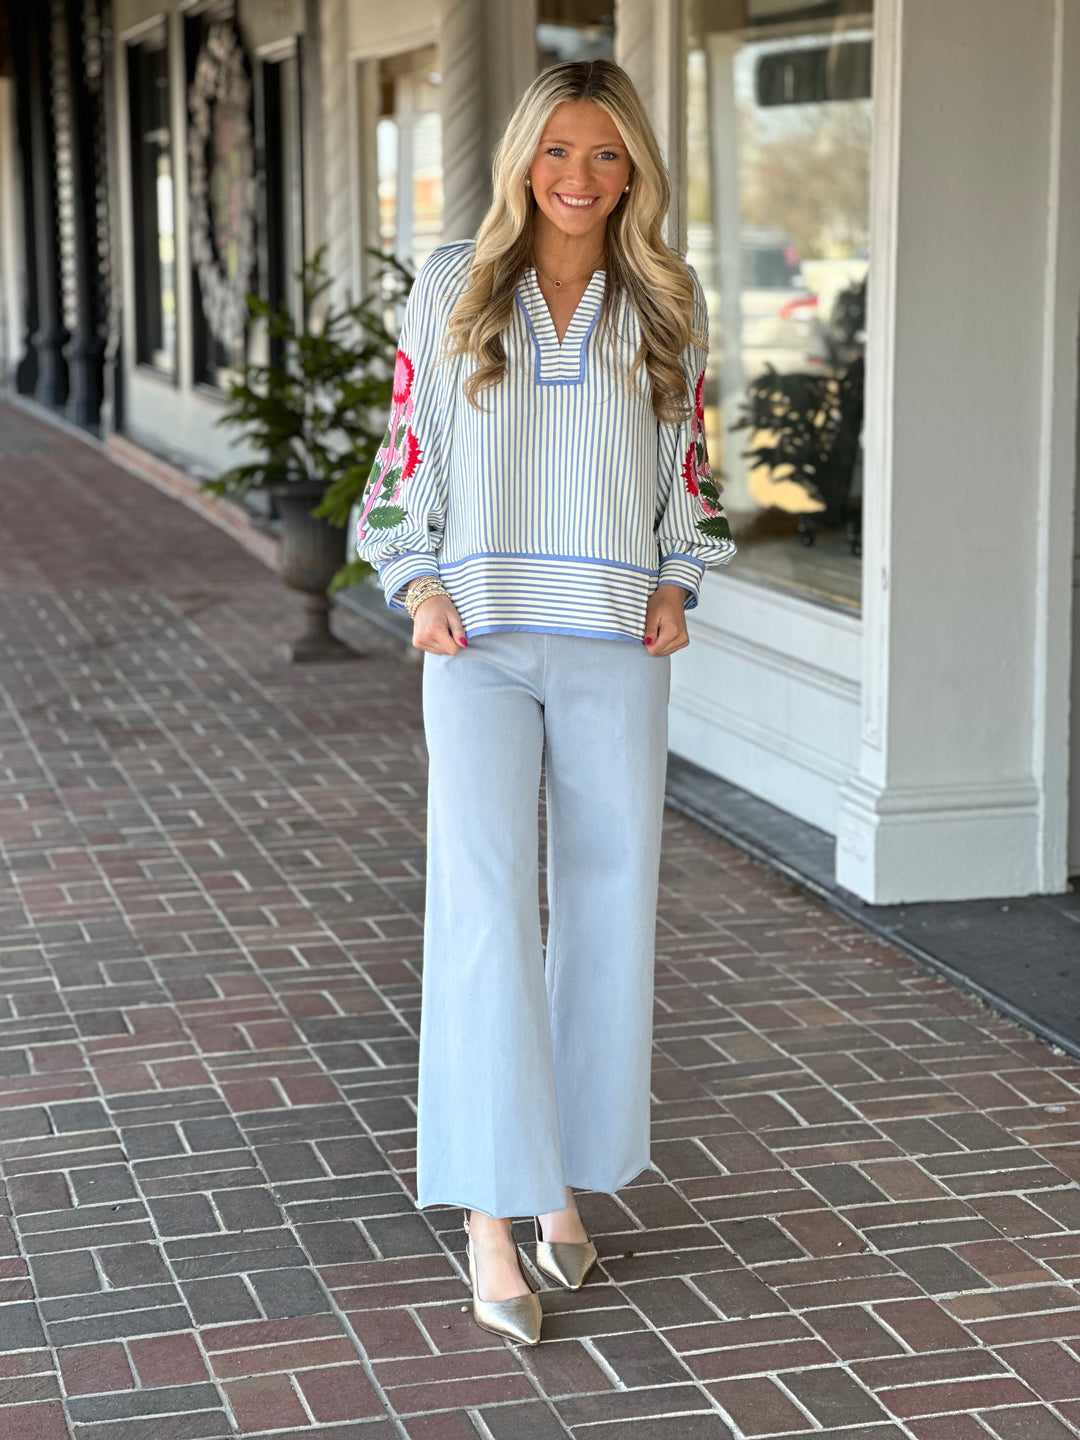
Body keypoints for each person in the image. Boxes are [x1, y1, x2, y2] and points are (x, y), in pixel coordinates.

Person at [356, 58, 735, 1346]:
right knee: (479, 912)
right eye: (560, 152)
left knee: (609, 908)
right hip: (477, 639)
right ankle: (488, 1218)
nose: (581, 179)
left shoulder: (667, 299)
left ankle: (565, 1185)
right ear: (525, 156)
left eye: (608, 156)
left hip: (616, 642)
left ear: (637, 171)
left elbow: (690, 464)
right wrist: (415, 587)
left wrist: (679, 580)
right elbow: (407, 450)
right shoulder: (455, 283)